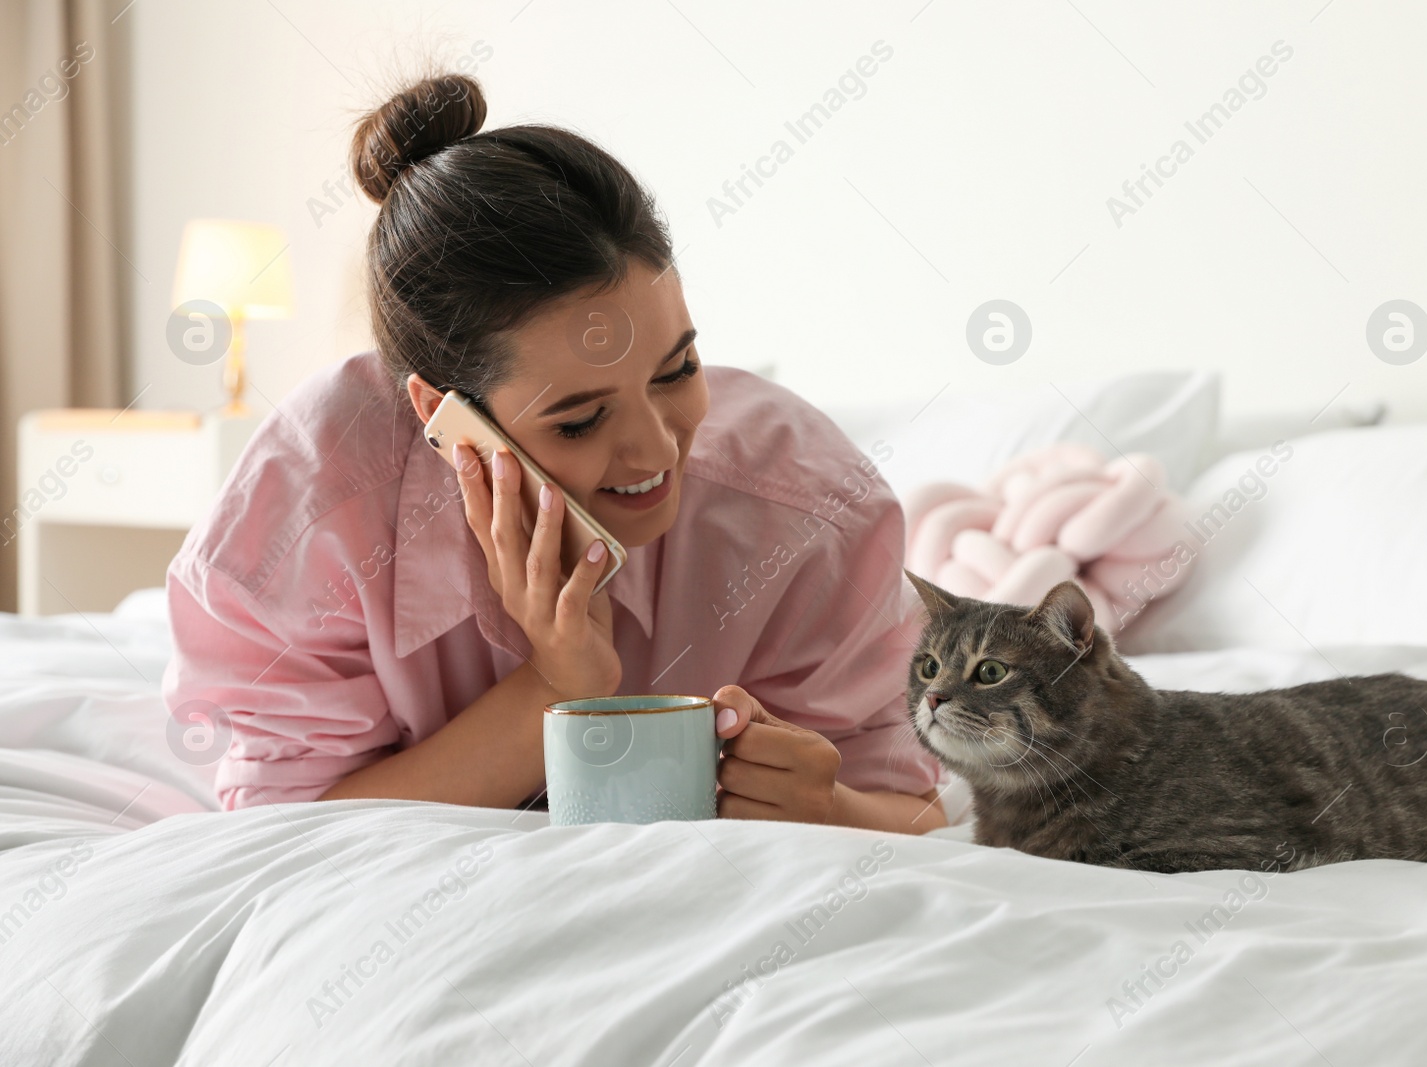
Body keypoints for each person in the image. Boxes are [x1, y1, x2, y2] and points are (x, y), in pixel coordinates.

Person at [161, 72, 944, 834]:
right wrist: (555, 684)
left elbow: (911, 806)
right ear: (444, 416)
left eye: (677, 370)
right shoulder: (310, 514)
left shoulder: (808, 510)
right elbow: (286, 835)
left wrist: (830, 809)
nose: (657, 446)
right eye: (578, 420)